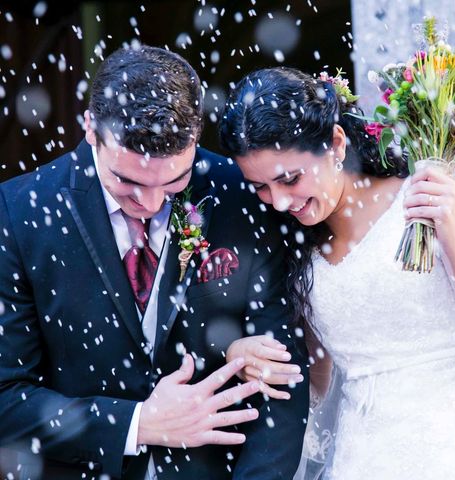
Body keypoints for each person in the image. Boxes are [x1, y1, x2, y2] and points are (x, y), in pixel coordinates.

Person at [218, 67, 455, 479]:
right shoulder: (297, 250)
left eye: (289, 179)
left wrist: (451, 230)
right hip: (366, 460)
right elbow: (315, 384)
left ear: (335, 143)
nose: (277, 202)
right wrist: (245, 355)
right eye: (260, 187)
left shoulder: (429, 200)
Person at [0, 47, 309, 480]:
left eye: (174, 182)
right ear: (91, 128)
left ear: (197, 135)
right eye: (127, 182)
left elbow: (282, 377)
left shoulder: (241, 196)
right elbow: (6, 398)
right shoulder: (18, 213)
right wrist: (137, 424)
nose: (149, 203)